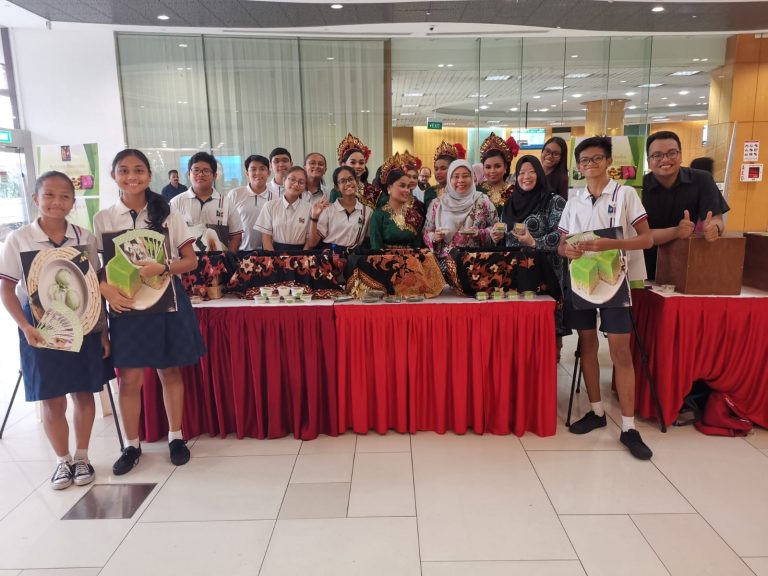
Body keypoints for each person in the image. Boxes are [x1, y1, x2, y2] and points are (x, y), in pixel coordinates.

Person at [95, 149, 205, 475]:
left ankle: (176, 437)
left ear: (148, 175)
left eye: (139, 170)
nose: (132, 176)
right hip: (126, 305)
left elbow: (191, 260)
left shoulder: (166, 212)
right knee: (129, 379)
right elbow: (98, 269)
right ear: (114, 175)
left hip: (166, 301)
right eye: (124, 171)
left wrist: (165, 266)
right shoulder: (104, 218)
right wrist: (105, 288)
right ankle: (131, 444)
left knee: (169, 371)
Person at [0, 171, 110, 490]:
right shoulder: (18, 239)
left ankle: (82, 456)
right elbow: (6, 290)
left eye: (64, 196)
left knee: (84, 391)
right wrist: (24, 327)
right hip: (40, 327)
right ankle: (62, 461)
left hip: (84, 325)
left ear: (73, 202)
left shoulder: (84, 237)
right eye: (48, 195)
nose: (56, 202)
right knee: (52, 397)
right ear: (36, 199)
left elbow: (95, 287)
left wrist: (102, 331)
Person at [557, 136, 654, 460]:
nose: (589, 165)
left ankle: (628, 426)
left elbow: (647, 239)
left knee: (620, 351)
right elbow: (561, 244)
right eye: (583, 161)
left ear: (608, 161)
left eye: (596, 159)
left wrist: (609, 245)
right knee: (586, 346)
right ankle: (596, 411)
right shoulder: (574, 200)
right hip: (581, 283)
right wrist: (566, 249)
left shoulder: (626, 195)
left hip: (615, 282)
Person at [493, 155, 569, 355]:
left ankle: (549, 366)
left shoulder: (554, 201)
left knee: (547, 327)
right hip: (515, 274)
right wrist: (497, 236)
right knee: (519, 327)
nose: (526, 176)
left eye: (532, 171)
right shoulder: (510, 203)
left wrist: (535, 242)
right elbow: (506, 236)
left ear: (540, 174)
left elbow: (562, 234)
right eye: (521, 173)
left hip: (546, 273)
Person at [641, 131, 729, 280]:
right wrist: (676, 231)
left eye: (672, 153)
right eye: (657, 155)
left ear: (680, 156)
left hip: (688, 264)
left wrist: (714, 228)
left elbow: (716, 219)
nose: (665, 159)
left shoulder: (702, 180)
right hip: (645, 266)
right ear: (649, 161)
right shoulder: (638, 188)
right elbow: (638, 236)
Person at [424, 159, 498, 260]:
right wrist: (434, 237)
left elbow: (496, 228)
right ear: (449, 179)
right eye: (456, 176)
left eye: (465, 176)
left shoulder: (483, 200)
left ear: (472, 177)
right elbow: (425, 233)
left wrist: (480, 233)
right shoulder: (437, 204)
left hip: (475, 262)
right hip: (444, 263)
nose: (461, 180)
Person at [170, 152, 243, 252]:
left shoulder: (226, 203)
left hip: (219, 264)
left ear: (214, 175)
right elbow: (170, 235)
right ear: (188, 174)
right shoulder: (176, 202)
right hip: (187, 264)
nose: (200, 174)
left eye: (206, 171)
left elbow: (236, 236)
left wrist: (227, 260)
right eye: (196, 170)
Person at [307, 166, 371, 250]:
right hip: (330, 257)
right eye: (342, 181)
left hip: (354, 258)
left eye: (351, 179)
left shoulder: (367, 211)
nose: (348, 183)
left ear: (357, 182)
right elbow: (312, 243)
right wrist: (314, 217)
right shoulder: (328, 210)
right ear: (337, 187)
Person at [255, 166, 312, 250]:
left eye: (301, 182)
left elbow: (309, 239)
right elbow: (266, 237)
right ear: (284, 180)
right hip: (274, 253)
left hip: (301, 254)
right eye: (292, 179)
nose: (296, 184)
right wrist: (273, 259)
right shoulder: (270, 206)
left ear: (304, 186)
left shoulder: (309, 208)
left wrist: (302, 258)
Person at [369, 169, 424, 249]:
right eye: (402, 186)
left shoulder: (415, 216)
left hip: (412, 260)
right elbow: (376, 248)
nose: (407, 190)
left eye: (408, 187)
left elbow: (418, 247)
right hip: (384, 260)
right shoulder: (378, 216)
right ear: (389, 188)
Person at [227, 154, 272, 251]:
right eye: (253, 169)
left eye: (262, 169)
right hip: (240, 252)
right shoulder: (235, 194)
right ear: (247, 173)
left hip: (268, 252)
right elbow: (227, 224)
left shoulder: (276, 198)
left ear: (268, 173)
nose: (258, 173)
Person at [329, 133, 381, 209]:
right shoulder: (336, 191)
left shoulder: (374, 191)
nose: (358, 166)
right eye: (353, 162)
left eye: (361, 163)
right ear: (343, 165)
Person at [478, 133, 517, 215]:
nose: (492, 171)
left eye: (497, 166)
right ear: (483, 168)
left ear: (505, 167)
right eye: (488, 167)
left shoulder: (513, 191)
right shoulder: (477, 190)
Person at [423, 141, 464, 211]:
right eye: (436, 169)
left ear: (453, 169)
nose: (438, 172)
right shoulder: (429, 192)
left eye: (443, 168)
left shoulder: (461, 190)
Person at [541, 136, 569, 201]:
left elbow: (562, 206)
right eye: (547, 151)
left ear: (561, 157)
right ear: (542, 151)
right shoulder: (534, 172)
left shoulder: (562, 179)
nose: (550, 156)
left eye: (555, 154)